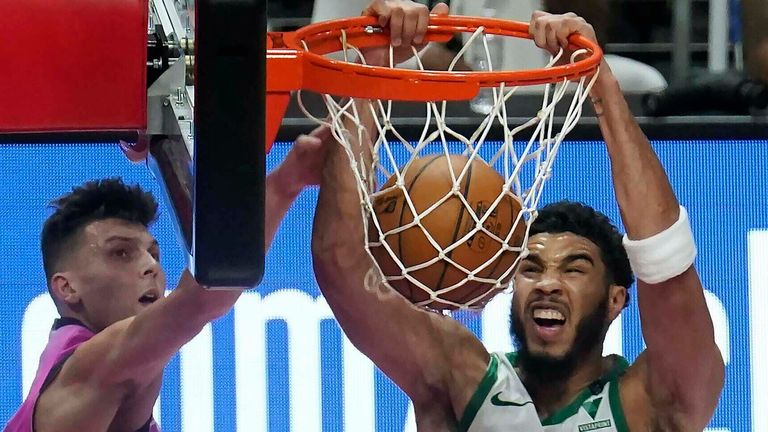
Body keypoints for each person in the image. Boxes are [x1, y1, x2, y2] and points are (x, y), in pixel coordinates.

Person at [311, 1, 724, 431]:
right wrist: (373, 69)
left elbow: (666, 263)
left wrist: (598, 82)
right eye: (531, 267)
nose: (546, 284)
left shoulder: (654, 402)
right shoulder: (461, 378)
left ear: (615, 299)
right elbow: (340, 262)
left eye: (575, 269)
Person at [3, 127, 329, 432]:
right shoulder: (90, 365)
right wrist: (287, 181)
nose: (151, 267)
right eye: (121, 253)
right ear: (67, 288)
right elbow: (202, 298)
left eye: (154, 254)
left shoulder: (116, 380)